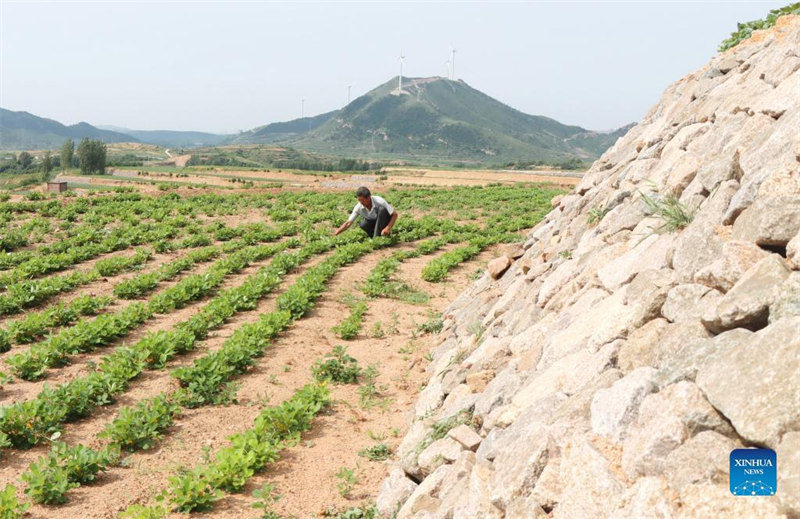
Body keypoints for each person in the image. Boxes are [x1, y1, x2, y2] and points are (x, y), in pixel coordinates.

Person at [333, 186, 399, 238]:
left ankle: (377, 237)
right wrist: (336, 233)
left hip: (384, 220)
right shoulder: (358, 207)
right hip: (373, 222)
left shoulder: (379, 201)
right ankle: (376, 236)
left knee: (382, 209)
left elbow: (395, 214)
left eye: (362, 200)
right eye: (359, 200)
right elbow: (348, 223)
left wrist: (388, 227)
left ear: (368, 197)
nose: (361, 202)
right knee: (363, 224)